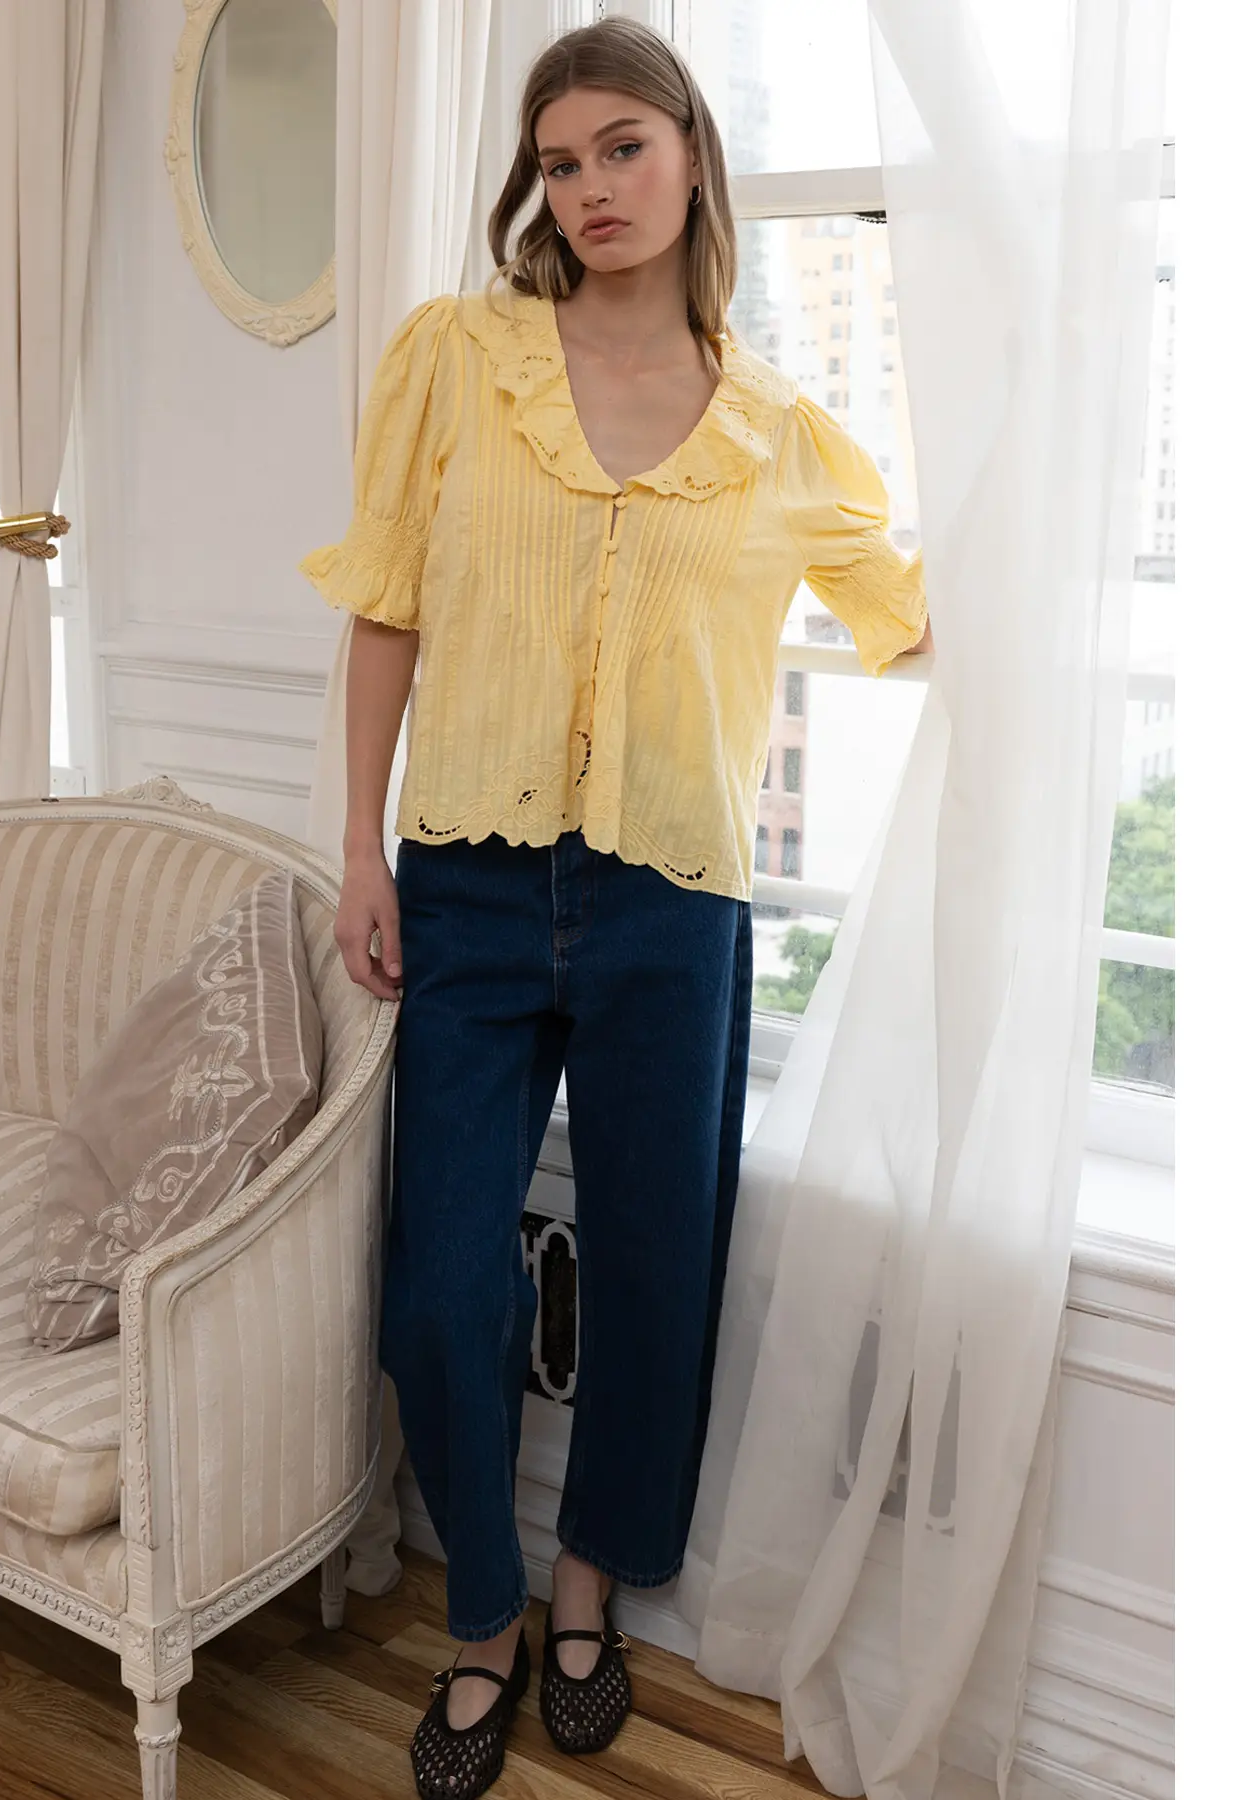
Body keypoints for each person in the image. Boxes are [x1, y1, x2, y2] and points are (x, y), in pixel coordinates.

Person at [298, 17, 931, 1799]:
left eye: (621, 150)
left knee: (657, 1268)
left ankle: (588, 1589)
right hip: (469, 884)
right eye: (559, 162)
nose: (589, 189)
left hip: (673, 905)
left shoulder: (782, 432)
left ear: (692, 153)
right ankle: (479, 1611)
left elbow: (909, 621)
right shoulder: (457, 360)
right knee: (442, 1285)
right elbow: (386, 610)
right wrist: (361, 848)